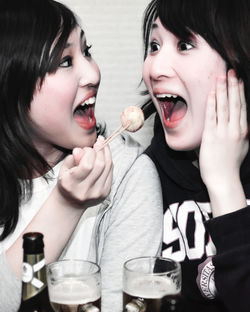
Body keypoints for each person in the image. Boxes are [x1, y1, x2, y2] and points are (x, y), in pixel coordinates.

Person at [0, 1, 163, 311]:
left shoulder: (127, 172)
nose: (92, 73)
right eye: (64, 61)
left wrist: (71, 202)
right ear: (11, 83)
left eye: (87, 51)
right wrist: (65, 205)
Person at [142, 0, 250, 311]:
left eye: (185, 44)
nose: (156, 68)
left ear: (238, 57)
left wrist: (224, 181)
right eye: (154, 45)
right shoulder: (140, 176)